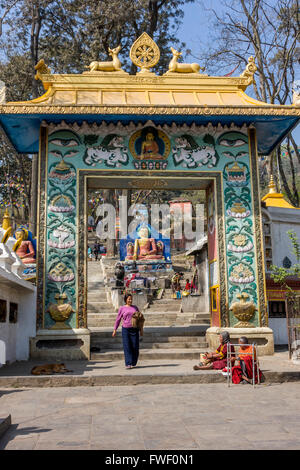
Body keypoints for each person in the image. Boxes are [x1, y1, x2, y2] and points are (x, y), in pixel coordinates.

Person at [112, 293, 142, 369]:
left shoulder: (135, 308)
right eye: (129, 299)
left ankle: (133, 362)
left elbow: (140, 319)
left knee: (135, 346)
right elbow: (118, 319)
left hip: (135, 329)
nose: (130, 300)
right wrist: (115, 329)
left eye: (131, 299)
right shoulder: (122, 308)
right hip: (126, 329)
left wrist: (141, 329)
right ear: (125, 300)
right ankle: (128, 363)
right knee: (127, 346)